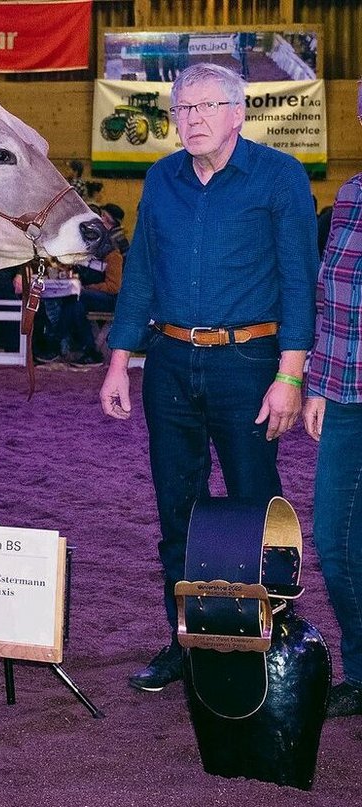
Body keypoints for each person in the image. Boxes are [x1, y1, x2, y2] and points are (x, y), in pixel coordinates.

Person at [98, 63, 317, 692]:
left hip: (249, 363)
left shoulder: (279, 176)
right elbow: (141, 271)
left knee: (255, 503)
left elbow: (299, 278)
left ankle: (272, 642)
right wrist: (119, 359)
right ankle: (186, 642)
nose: (191, 118)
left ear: (238, 114)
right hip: (168, 361)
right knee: (177, 510)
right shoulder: (161, 177)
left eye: (206, 106)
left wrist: (291, 374)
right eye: (182, 108)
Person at [303, 80, 362, 721]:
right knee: (337, 543)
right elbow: (333, 298)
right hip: (346, 395)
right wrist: (318, 382)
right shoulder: (351, 195)